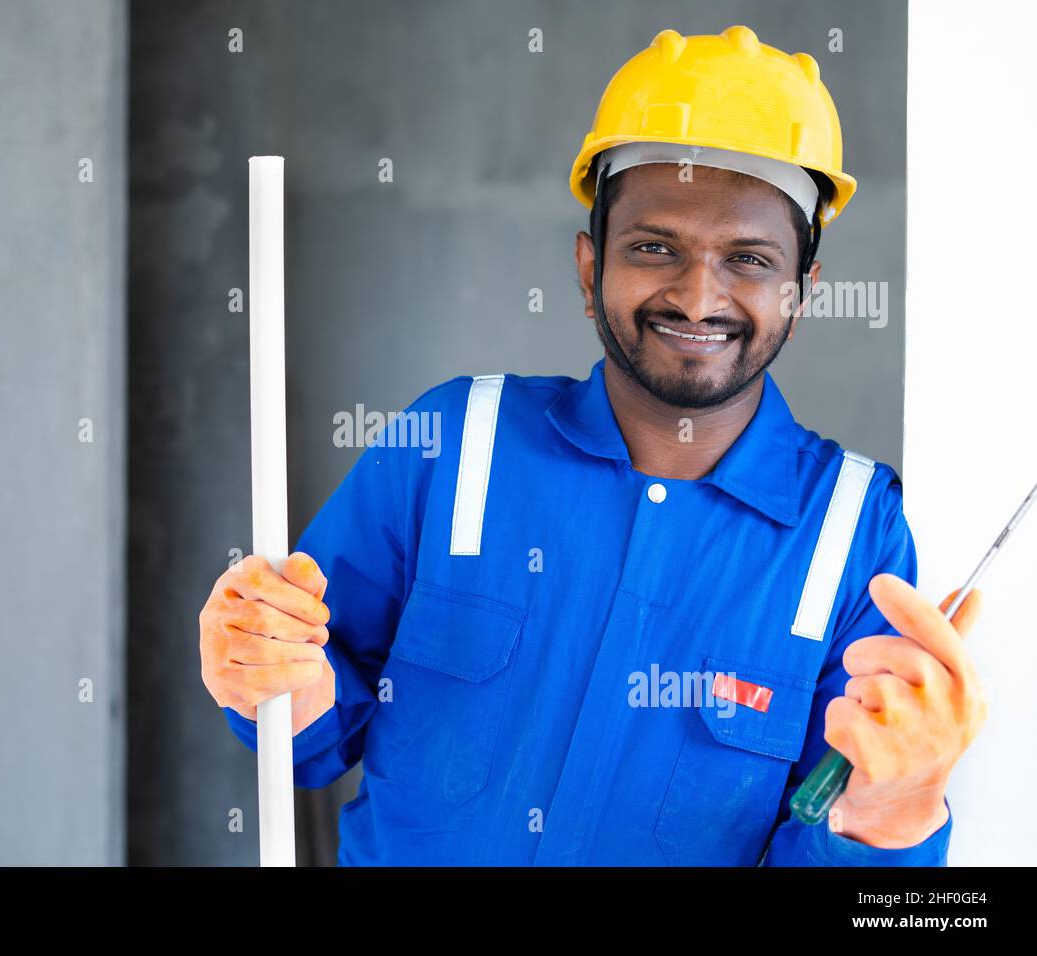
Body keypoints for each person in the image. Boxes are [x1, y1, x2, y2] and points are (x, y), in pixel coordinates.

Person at [198, 25, 988, 865]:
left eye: (749, 259)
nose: (697, 296)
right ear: (588, 268)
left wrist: (894, 813)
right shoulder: (452, 445)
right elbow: (309, 738)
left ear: (802, 291)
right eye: (655, 247)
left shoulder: (855, 536)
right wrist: (267, 674)